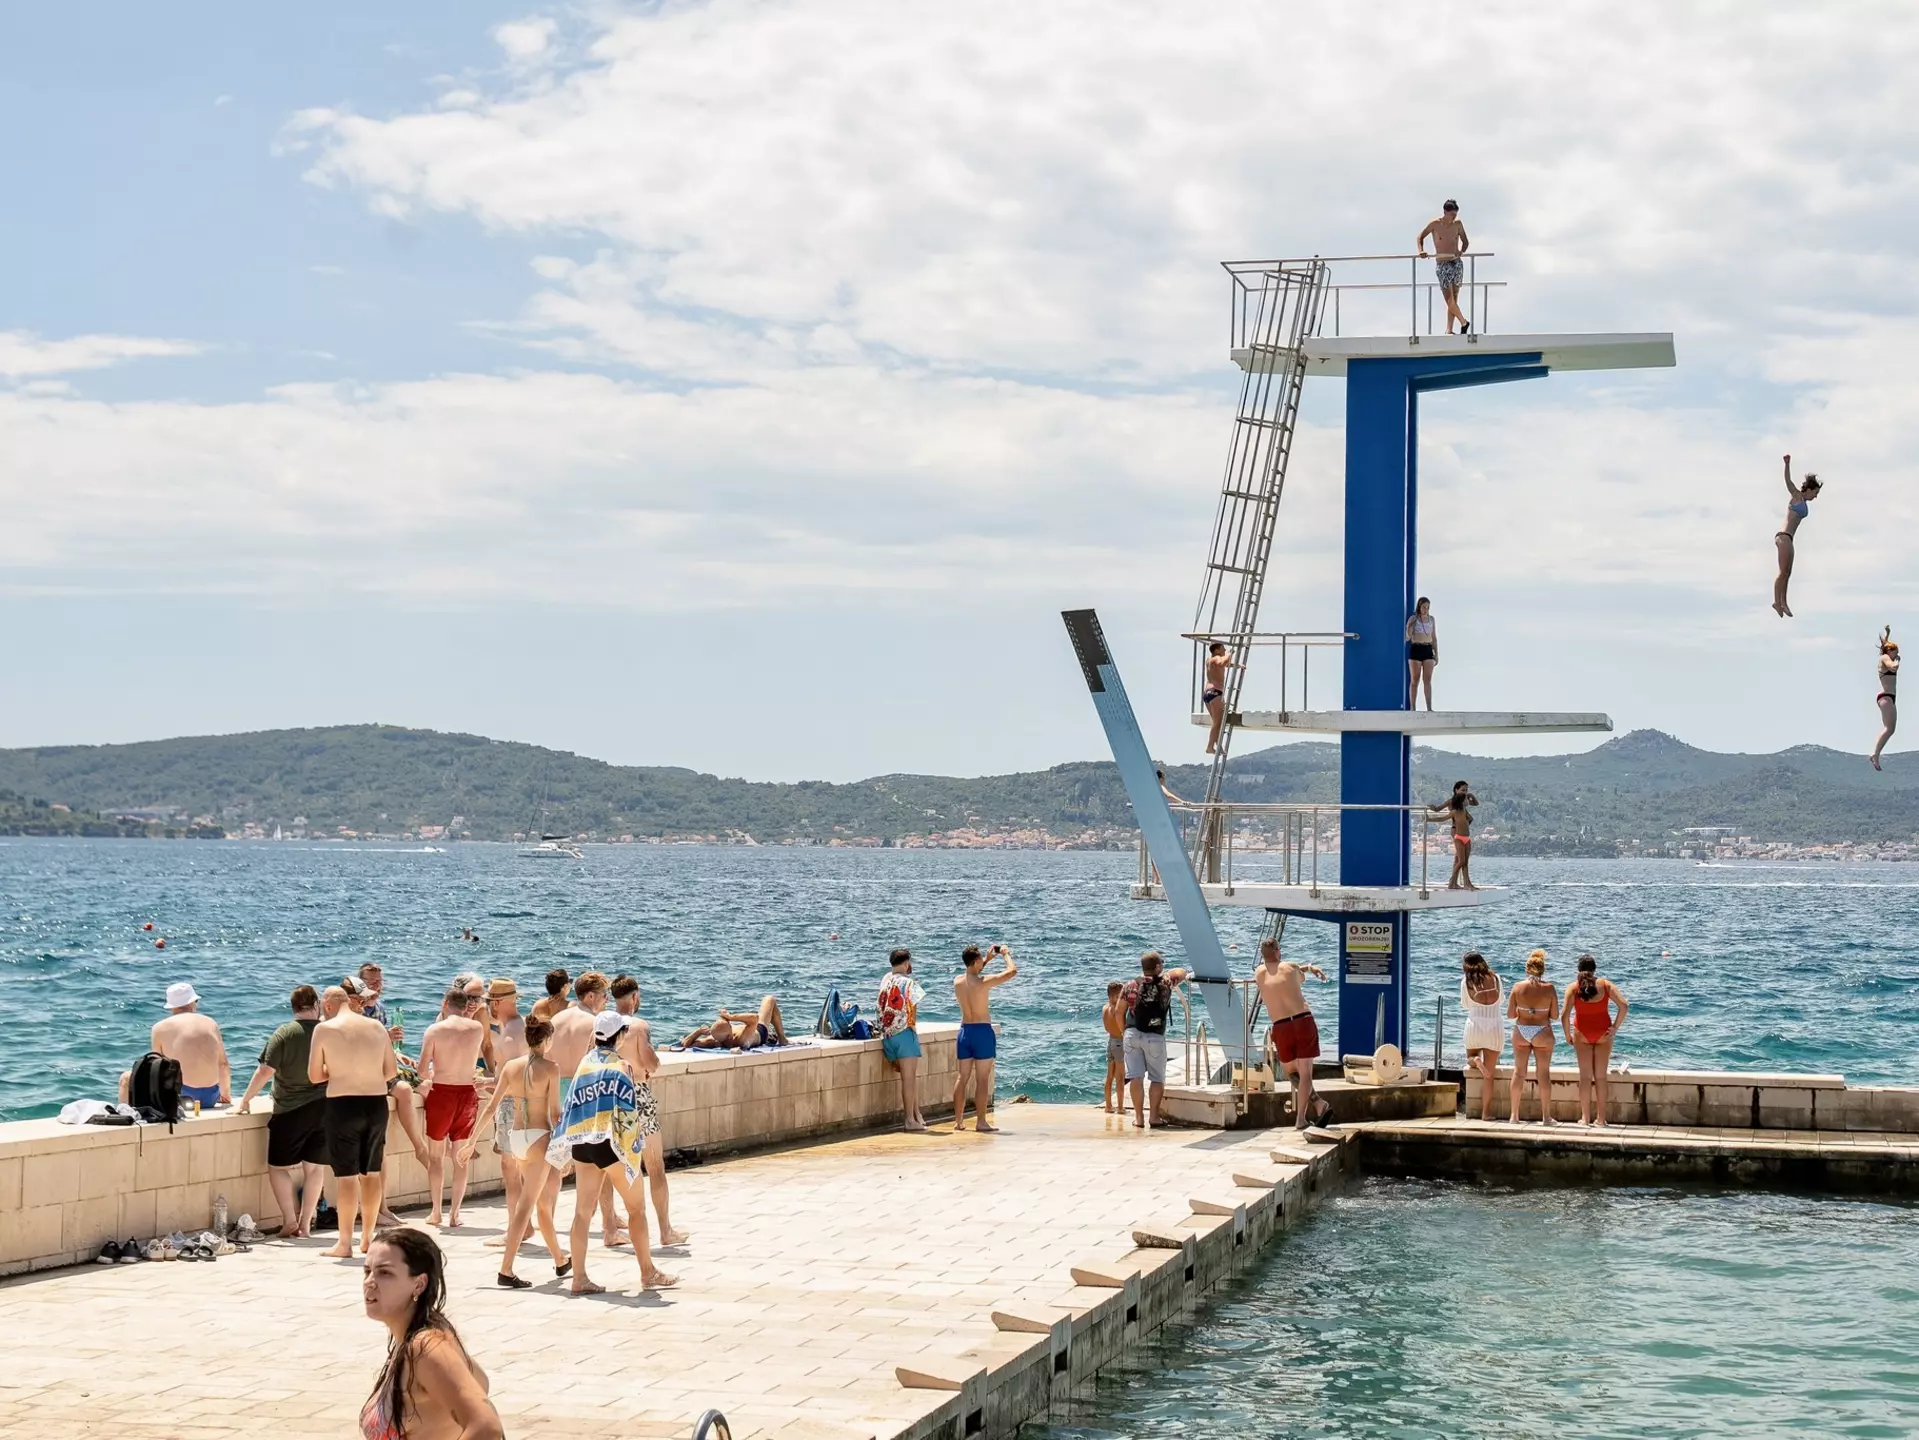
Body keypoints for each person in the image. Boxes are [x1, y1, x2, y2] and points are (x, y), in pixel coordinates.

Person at [545, 1010, 677, 1294]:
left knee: (582, 1212)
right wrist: (633, 1154)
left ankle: (578, 1277)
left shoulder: (584, 1064)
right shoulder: (622, 1067)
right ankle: (647, 1271)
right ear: (619, 1036)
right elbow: (627, 1115)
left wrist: (564, 1149)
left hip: (583, 1142)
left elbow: (571, 1105)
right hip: (611, 1143)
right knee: (636, 1209)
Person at [360, 1227, 503, 1440]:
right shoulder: (423, 1336)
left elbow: (486, 1426)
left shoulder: (426, 1346)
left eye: (384, 1273)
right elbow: (480, 1381)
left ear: (419, 1284)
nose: (369, 1281)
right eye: (367, 1271)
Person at [462, 1017, 570, 1288]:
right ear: (546, 1040)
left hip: (517, 1138)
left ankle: (559, 1259)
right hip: (539, 1138)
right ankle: (506, 1270)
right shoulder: (551, 1068)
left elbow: (491, 1107)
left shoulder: (511, 1066)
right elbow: (556, 1114)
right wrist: (566, 1152)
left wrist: (471, 1141)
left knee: (543, 1205)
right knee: (527, 1205)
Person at [310, 985, 399, 1258]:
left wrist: (336, 1069)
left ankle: (345, 1243)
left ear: (327, 1005)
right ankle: (369, 1238)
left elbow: (314, 1076)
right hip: (375, 1103)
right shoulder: (376, 1027)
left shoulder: (324, 1030)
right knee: (371, 1174)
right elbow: (391, 1071)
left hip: (343, 1105)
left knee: (346, 1177)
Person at [237, 985, 329, 1238]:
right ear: (317, 1004)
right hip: (324, 1108)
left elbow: (265, 1071)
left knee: (278, 1168)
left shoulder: (285, 1033)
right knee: (315, 1168)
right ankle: (306, 1224)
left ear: (293, 1007)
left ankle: (289, 1220)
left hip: (290, 1109)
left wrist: (245, 1100)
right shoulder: (327, 1032)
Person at [543, 971, 627, 1247]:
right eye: (604, 996)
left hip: (555, 1090)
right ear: (590, 996)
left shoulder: (556, 1019)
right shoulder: (593, 1023)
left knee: (553, 1164)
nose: (605, 1002)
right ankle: (608, 1228)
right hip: (583, 1091)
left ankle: (549, 1227)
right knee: (598, 1160)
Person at [611, 975, 687, 1246]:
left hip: (611, 1097)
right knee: (655, 1165)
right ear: (634, 997)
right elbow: (650, 1062)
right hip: (638, 1094)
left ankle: (610, 1229)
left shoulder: (602, 1024)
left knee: (612, 1165)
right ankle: (665, 1231)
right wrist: (652, 1063)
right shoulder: (638, 1026)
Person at [417, 985, 490, 1229]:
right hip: (467, 1094)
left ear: (444, 1004)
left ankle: (436, 1211)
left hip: (442, 1093)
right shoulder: (477, 1028)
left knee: (436, 1158)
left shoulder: (435, 1029)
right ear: (465, 1005)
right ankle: (455, 1214)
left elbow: (421, 1070)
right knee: (461, 1158)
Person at [1251, 940, 1331, 1131]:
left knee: (1292, 1074)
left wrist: (1307, 967)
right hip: (1302, 1021)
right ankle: (1304, 1117)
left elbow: (1279, 971)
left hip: (1280, 1026)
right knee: (1305, 1074)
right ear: (1278, 951)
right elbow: (1295, 974)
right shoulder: (1290, 968)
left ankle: (1317, 1105)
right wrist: (1310, 968)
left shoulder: (1258, 974)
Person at [1122, 950, 1191, 1129]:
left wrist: (1124, 1031)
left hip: (1132, 1033)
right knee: (1157, 1079)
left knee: (1135, 1077)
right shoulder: (1166, 983)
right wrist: (1165, 972)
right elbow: (1182, 972)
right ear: (1158, 967)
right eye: (1162, 962)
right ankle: (1154, 1117)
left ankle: (1138, 1118)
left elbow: (1117, 1011)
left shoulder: (1131, 985)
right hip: (1155, 1036)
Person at [953, 944, 1017, 1131]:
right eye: (980, 959)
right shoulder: (984, 982)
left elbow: (971, 974)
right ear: (974, 962)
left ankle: (959, 1122)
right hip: (982, 1032)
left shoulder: (957, 981)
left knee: (962, 1077)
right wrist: (1005, 954)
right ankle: (981, 1122)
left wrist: (988, 959)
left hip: (964, 1032)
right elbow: (1012, 971)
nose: (983, 961)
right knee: (982, 1079)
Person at [1561, 955, 1628, 1127]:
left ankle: (1585, 1118)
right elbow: (1624, 1005)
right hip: (1603, 1033)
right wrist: (1615, 1027)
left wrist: (1567, 1034)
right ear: (1595, 969)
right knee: (1600, 1077)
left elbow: (1564, 1015)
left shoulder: (1573, 988)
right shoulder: (1605, 985)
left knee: (1585, 1077)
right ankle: (1601, 1119)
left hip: (1581, 1033)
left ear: (1578, 969)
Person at [148, 981, 231, 1111]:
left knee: (127, 1078)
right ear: (192, 1002)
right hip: (211, 1096)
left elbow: (157, 1069)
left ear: (171, 1006)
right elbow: (223, 1064)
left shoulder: (159, 1028)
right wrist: (225, 1095)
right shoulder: (211, 1023)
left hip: (181, 1097)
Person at [878, 949, 928, 1132]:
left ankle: (917, 1115)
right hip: (904, 1034)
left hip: (887, 1036)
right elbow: (913, 1010)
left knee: (909, 1078)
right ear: (907, 963)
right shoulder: (910, 983)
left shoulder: (885, 979)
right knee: (909, 1079)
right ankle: (909, 1120)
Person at [1505, 950, 1558, 1125]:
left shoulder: (1517, 988)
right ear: (1543, 970)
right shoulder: (1549, 988)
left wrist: (1526, 1011)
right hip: (1542, 1031)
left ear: (1527, 969)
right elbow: (1556, 1016)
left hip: (1521, 1031)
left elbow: (1511, 1015)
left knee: (1519, 1072)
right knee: (1543, 1074)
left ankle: (1514, 1116)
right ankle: (1546, 1118)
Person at [1772, 454, 1822, 618]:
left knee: (1787, 573)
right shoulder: (1796, 496)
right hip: (1783, 536)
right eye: (1815, 492)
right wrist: (1787, 464)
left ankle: (1783, 603)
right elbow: (1788, 481)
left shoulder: (1804, 502)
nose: (1815, 496)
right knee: (1782, 572)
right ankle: (1777, 602)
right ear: (1808, 489)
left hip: (1789, 539)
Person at [1458, 952, 1504, 1122]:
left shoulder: (1466, 982)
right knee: (1489, 1075)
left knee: (1470, 1056)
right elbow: (1501, 1001)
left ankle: (1476, 1060)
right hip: (1495, 1026)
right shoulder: (1496, 979)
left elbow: (1465, 1005)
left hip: (1475, 1024)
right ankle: (1486, 1113)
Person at [1416, 199, 1472, 335]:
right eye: (1452, 215)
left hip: (1456, 262)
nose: (1454, 217)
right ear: (1445, 212)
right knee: (1449, 299)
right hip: (1442, 263)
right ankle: (1463, 322)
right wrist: (1421, 250)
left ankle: (1449, 329)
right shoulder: (1435, 224)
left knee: (1455, 297)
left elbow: (1465, 242)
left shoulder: (1458, 224)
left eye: (1456, 215)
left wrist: (1461, 251)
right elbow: (1420, 237)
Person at [680, 996, 789, 1050]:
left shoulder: (715, 1039)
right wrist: (730, 1017)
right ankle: (782, 1039)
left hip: (748, 1028)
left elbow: (686, 1044)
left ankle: (779, 1037)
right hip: (759, 1032)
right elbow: (754, 1018)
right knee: (770, 1000)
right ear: (729, 1035)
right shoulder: (740, 1039)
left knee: (770, 1004)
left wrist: (698, 1032)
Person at [1427, 780, 1479, 890]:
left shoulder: (1464, 800)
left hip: (1464, 833)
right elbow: (1438, 810)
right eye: (1462, 790)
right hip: (1456, 830)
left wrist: (1471, 796)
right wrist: (1432, 809)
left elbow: (1475, 804)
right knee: (1461, 860)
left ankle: (1461, 883)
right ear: (1456, 790)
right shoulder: (1451, 802)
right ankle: (1456, 882)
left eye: (1466, 790)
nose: (1465, 792)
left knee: (1460, 859)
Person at [1873, 627, 1900, 771]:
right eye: (1895, 652)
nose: (1897, 654)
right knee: (1889, 728)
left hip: (1889, 697)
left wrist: (1888, 634)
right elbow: (1893, 667)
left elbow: (1886, 645)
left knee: (1891, 729)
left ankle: (1876, 754)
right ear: (1890, 651)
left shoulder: (1886, 653)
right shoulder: (1885, 658)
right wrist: (1896, 661)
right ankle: (1875, 754)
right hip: (1885, 697)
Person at [486, 978, 526, 1069]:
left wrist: (485, 1080)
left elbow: (514, 1078)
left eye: (488, 1001)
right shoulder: (522, 1023)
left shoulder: (509, 1036)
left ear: (496, 1003)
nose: (487, 1006)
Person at [1406, 597, 1438, 710]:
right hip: (1416, 648)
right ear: (1419, 606)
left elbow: (1434, 638)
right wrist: (1410, 628)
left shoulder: (1432, 619)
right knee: (1415, 679)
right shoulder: (1413, 619)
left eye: (1428, 607)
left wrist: (1436, 654)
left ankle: (1429, 707)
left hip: (1428, 648)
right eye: (1424, 607)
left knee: (1427, 679)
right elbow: (1407, 637)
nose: (1426, 609)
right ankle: (1412, 707)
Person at [1101, 981, 1126, 1114]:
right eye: (1121, 995)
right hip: (1119, 1043)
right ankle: (1121, 1107)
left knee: (1109, 1076)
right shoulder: (1118, 1010)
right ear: (1114, 996)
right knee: (1120, 1077)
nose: (1123, 997)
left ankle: (1108, 1106)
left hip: (1110, 1042)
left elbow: (1106, 1027)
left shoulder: (1105, 1008)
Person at [1202, 642, 1231, 755]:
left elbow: (1224, 665)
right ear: (1217, 650)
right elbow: (1222, 663)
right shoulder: (1218, 658)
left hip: (1207, 693)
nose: (1224, 650)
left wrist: (1238, 666)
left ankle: (1218, 746)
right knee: (1217, 723)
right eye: (1223, 648)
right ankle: (1210, 747)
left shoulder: (1209, 660)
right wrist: (1229, 654)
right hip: (1216, 692)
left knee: (1216, 723)